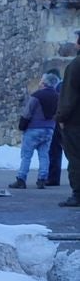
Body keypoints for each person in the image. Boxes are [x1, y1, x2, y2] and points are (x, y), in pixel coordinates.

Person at [9, 72, 60, 189]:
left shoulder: (37, 96)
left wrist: (22, 126)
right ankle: (42, 179)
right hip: (49, 129)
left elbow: (27, 112)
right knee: (44, 155)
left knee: (26, 155)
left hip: (34, 129)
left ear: (44, 83)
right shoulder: (58, 96)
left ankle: (21, 179)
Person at [57, 33, 80, 207]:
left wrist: (61, 117)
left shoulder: (75, 66)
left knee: (76, 158)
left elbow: (69, 95)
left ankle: (78, 194)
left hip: (75, 122)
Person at [44, 69, 64, 185]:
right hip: (61, 122)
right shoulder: (61, 87)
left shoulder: (59, 88)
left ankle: (53, 178)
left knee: (55, 150)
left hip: (59, 123)